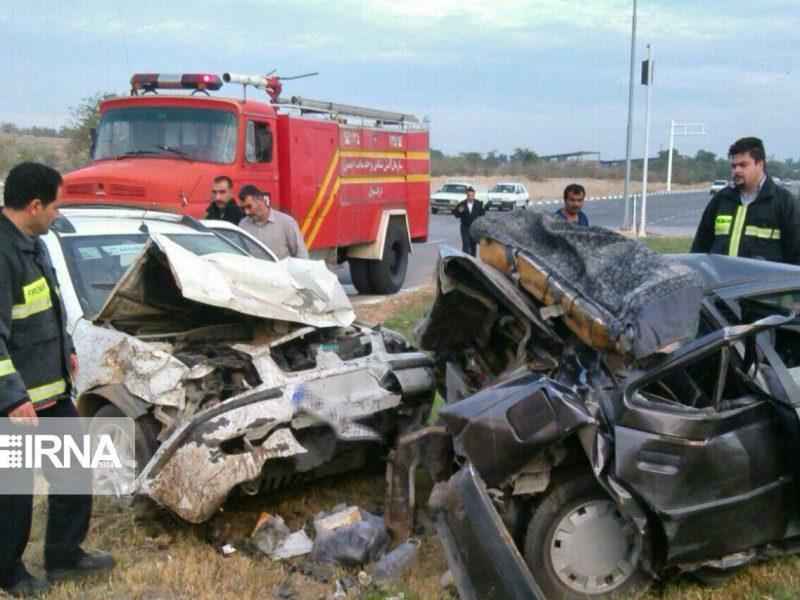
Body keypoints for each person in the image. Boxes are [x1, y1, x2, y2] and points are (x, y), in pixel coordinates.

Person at [0, 163, 115, 598]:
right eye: (55, 205)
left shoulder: (34, 243)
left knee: (73, 474)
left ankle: (64, 555)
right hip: (15, 404)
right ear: (34, 205)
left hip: (50, 393)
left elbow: (45, 306)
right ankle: (8, 571)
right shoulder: (2, 253)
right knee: (12, 494)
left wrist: (64, 343)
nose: (57, 213)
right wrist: (11, 399)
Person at [691, 137, 800, 264]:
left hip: (762, 283)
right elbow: (699, 249)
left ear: (760, 165)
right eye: (734, 166)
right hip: (724, 282)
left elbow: (796, 255)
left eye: (743, 165)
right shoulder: (721, 200)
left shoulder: (784, 203)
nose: (737, 170)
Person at [238, 185, 309, 259]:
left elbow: (301, 254)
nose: (247, 212)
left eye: (249, 206)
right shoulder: (243, 225)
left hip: (280, 270)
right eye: (243, 208)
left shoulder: (286, 222)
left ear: (261, 200)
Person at [453, 186, 485, 256]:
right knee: (465, 245)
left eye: (472, 195)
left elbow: (483, 214)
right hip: (465, 227)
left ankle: (473, 262)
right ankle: (464, 261)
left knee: (473, 245)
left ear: (474, 195)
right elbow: (456, 215)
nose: (470, 197)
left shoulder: (478, 203)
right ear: (466, 195)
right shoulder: (462, 204)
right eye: (469, 195)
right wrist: (459, 211)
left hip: (474, 228)